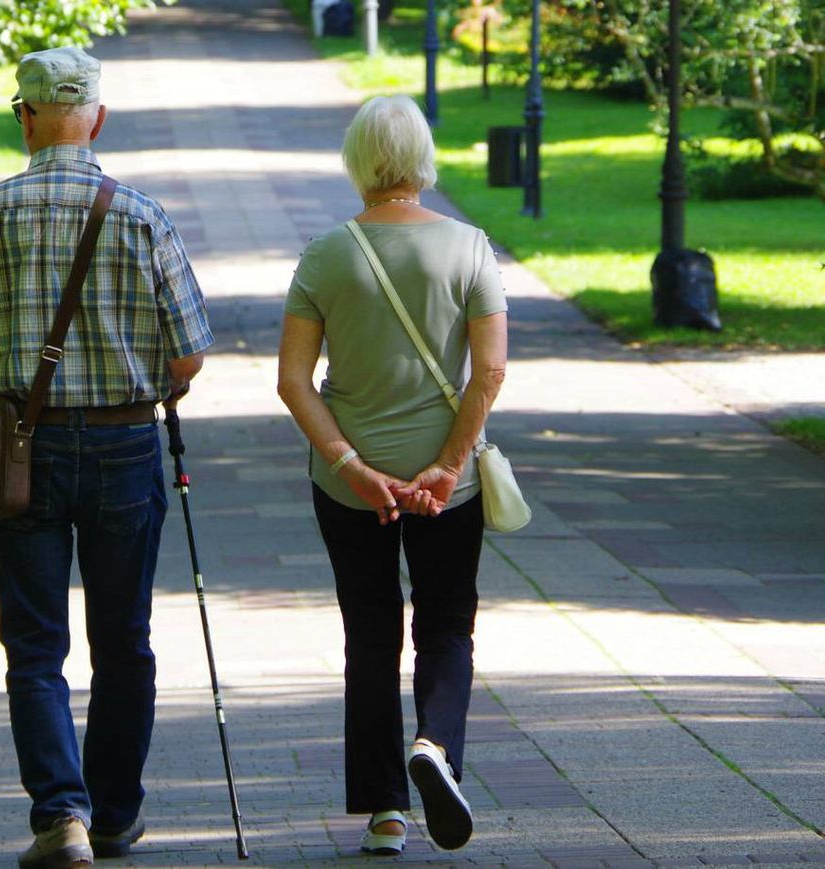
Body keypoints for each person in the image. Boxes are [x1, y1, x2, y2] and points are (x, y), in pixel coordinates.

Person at [0, 46, 213, 869]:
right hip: (126, 444)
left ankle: (61, 818)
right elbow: (190, 353)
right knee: (124, 637)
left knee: (35, 643)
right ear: (98, 119)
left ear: (23, 119)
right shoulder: (143, 216)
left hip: (23, 450)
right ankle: (116, 814)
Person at [276, 94, 508, 854]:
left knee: (369, 633)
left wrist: (350, 464)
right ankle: (434, 744)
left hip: (350, 485)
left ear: (357, 161)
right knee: (446, 622)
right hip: (448, 485)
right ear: (423, 159)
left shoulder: (325, 253)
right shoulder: (470, 247)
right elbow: (490, 370)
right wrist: (447, 465)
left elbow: (293, 381)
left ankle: (384, 812)